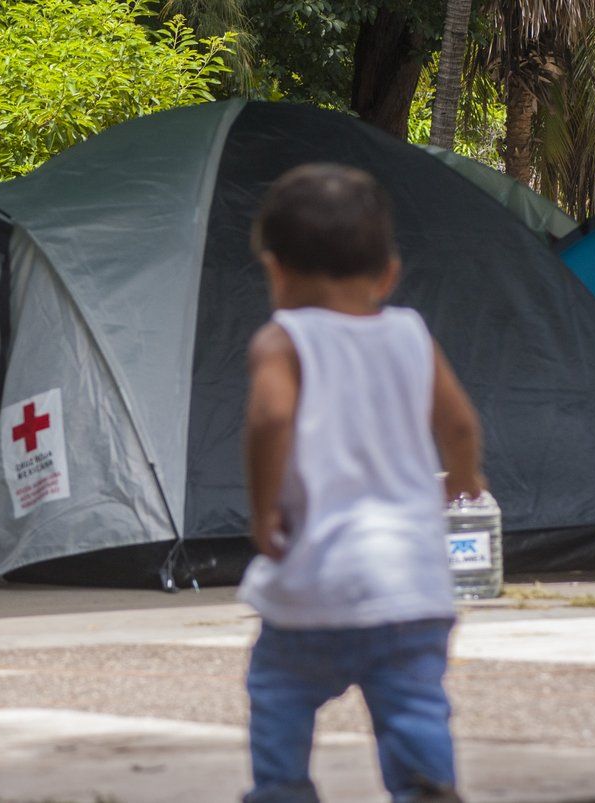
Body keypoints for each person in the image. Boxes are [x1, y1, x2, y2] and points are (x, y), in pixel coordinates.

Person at [238, 163, 486, 803]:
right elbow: (458, 425)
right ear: (389, 272)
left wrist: (263, 510)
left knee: (278, 690)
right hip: (412, 588)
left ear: (276, 269)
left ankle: (283, 790)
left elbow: (270, 418)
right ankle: (427, 788)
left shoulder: (283, 339)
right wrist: (463, 478)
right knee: (414, 708)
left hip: (318, 580)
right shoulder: (411, 334)